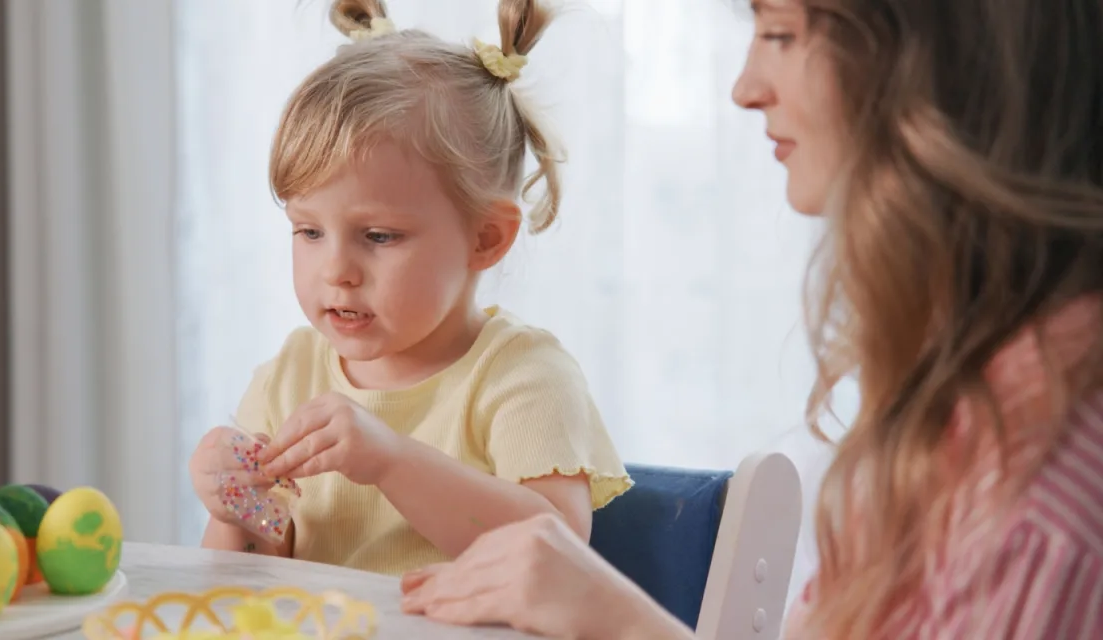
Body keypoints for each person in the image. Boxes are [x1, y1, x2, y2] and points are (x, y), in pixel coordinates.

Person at [399, 0, 1103, 637]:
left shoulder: (1036, 514)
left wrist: (613, 620)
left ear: (942, 63)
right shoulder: (967, 411)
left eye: (780, 33)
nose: (744, 88)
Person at [186, 0, 632, 578]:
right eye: (309, 231)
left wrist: (391, 462)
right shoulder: (288, 377)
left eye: (377, 235)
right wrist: (236, 510)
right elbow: (245, 585)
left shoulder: (523, 375)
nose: (336, 270)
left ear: (486, 239)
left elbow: (556, 554)